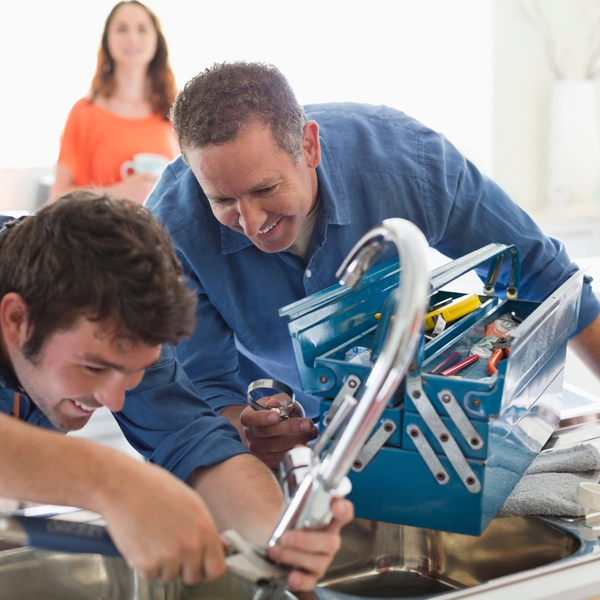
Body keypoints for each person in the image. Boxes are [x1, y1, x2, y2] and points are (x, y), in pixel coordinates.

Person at [145, 61, 600, 470]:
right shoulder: (168, 230)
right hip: (276, 434)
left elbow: (548, 278)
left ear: (308, 147)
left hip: (406, 418)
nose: (250, 222)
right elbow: (203, 382)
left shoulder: (409, 162)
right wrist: (251, 432)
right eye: (222, 200)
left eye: (265, 190)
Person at [0, 191, 352, 591]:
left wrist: (279, 538)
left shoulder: (113, 319)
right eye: (93, 367)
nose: (113, 401)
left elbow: (193, 442)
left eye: (132, 371)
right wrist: (114, 483)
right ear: (15, 320)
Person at [49, 1, 178, 205]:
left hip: (161, 233)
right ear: (107, 40)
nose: (132, 38)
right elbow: (57, 197)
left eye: (142, 29)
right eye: (121, 29)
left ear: (157, 40)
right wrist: (117, 192)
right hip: (102, 233)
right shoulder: (84, 112)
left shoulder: (174, 110)